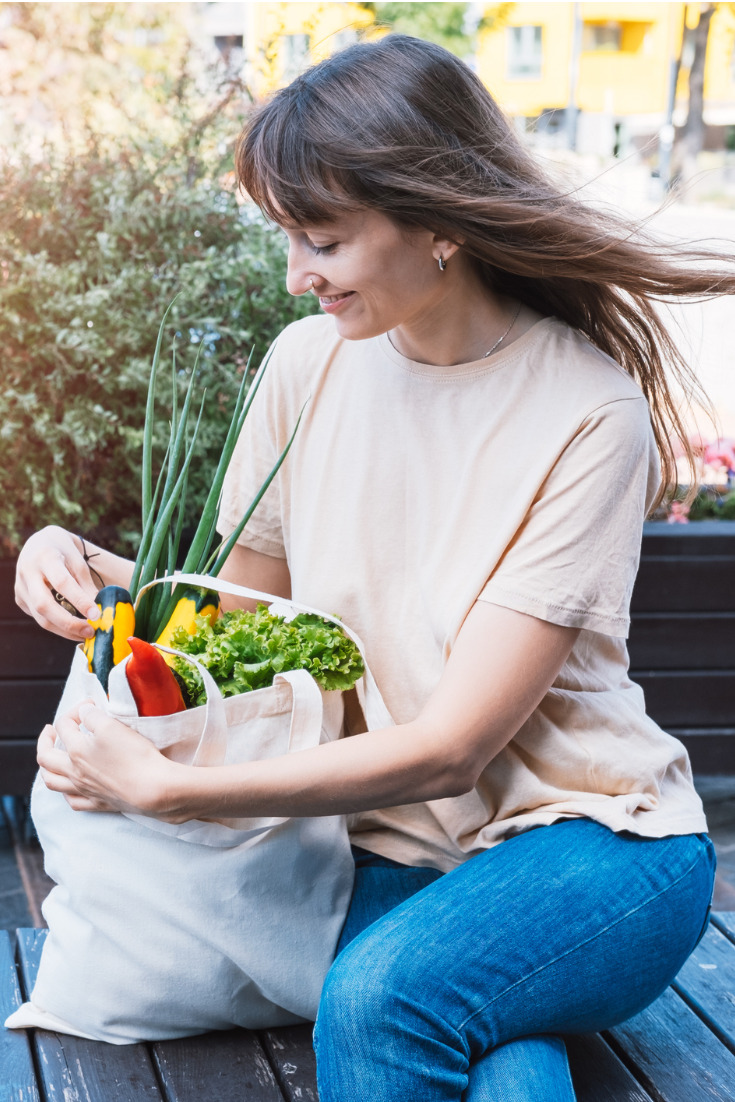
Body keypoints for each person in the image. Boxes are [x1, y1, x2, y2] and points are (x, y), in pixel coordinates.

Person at [15, 34, 729, 1102]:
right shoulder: (306, 365)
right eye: (291, 238)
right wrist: (71, 562)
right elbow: (243, 629)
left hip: (599, 845)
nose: (297, 275)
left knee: (383, 999)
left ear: (439, 221)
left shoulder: (589, 414)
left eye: (323, 241)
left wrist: (177, 788)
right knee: (493, 1055)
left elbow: (453, 746)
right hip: (396, 854)